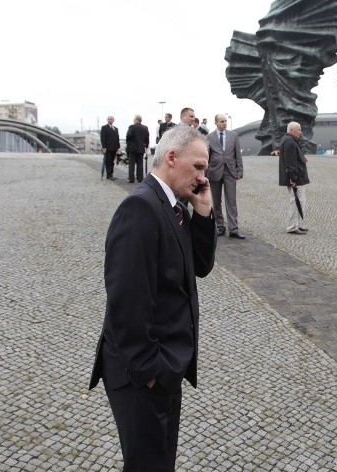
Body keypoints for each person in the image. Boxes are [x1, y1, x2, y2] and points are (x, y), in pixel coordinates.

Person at [89, 124, 217, 472]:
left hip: (165, 365)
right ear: (172, 157)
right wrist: (150, 373)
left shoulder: (173, 205)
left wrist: (203, 211)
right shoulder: (141, 208)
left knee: (160, 463)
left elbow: (200, 266)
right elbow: (125, 300)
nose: (203, 177)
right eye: (199, 167)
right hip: (142, 373)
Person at [207, 113, 245, 239]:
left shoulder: (233, 136)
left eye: (225, 121)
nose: (224, 123)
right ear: (216, 122)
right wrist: (205, 173)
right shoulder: (209, 137)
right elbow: (207, 156)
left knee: (231, 201)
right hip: (214, 172)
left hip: (230, 171)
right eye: (222, 121)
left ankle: (233, 229)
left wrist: (240, 171)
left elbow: (237, 154)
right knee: (216, 201)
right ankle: (220, 227)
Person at [278, 122, 309, 234]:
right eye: (298, 129)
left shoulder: (288, 140)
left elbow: (292, 157)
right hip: (296, 179)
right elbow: (290, 163)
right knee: (296, 202)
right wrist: (293, 178)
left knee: (299, 202)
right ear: (291, 130)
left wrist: (301, 157)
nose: (300, 132)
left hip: (296, 178)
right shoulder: (290, 142)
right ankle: (292, 227)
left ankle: (296, 224)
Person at [125, 115, 150, 183]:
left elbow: (128, 135)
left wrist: (129, 144)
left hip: (132, 148)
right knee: (140, 164)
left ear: (136, 119)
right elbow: (147, 138)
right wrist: (146, 145)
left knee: (131, 164)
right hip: (141, 148)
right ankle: (140, 178)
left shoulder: (132, 127)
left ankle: (131, 179)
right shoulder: (145, 128)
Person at [100, 115, 120, 181]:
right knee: (108, 162)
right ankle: (109, 175)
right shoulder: (104, 128)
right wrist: (104, 147)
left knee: (112, 162)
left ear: (113, 120)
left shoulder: (116, 129)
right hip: (108, 148)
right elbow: (103, 138)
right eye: (108, 119)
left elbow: (117, 138)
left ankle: (111, 174)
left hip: (114, 148)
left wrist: (118, 147)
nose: (109, 120)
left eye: (111, 119)